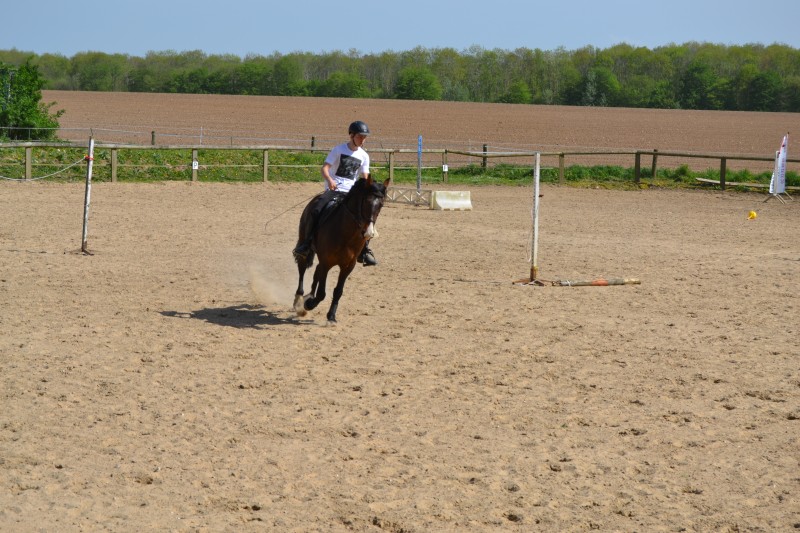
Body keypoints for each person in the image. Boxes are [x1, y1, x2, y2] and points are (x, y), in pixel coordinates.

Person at [292, 120, 378, 266]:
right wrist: (330, 180)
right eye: (360, 136)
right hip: (334, 190)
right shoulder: (338, 150)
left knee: (367, 216)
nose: (362, 140)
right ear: (351, 135)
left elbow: (365, 176)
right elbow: (325, 168)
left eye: (364, 137)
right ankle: (306, 244)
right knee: (316, 209)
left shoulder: (364, 156)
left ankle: (364, 250)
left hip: (351, 193)